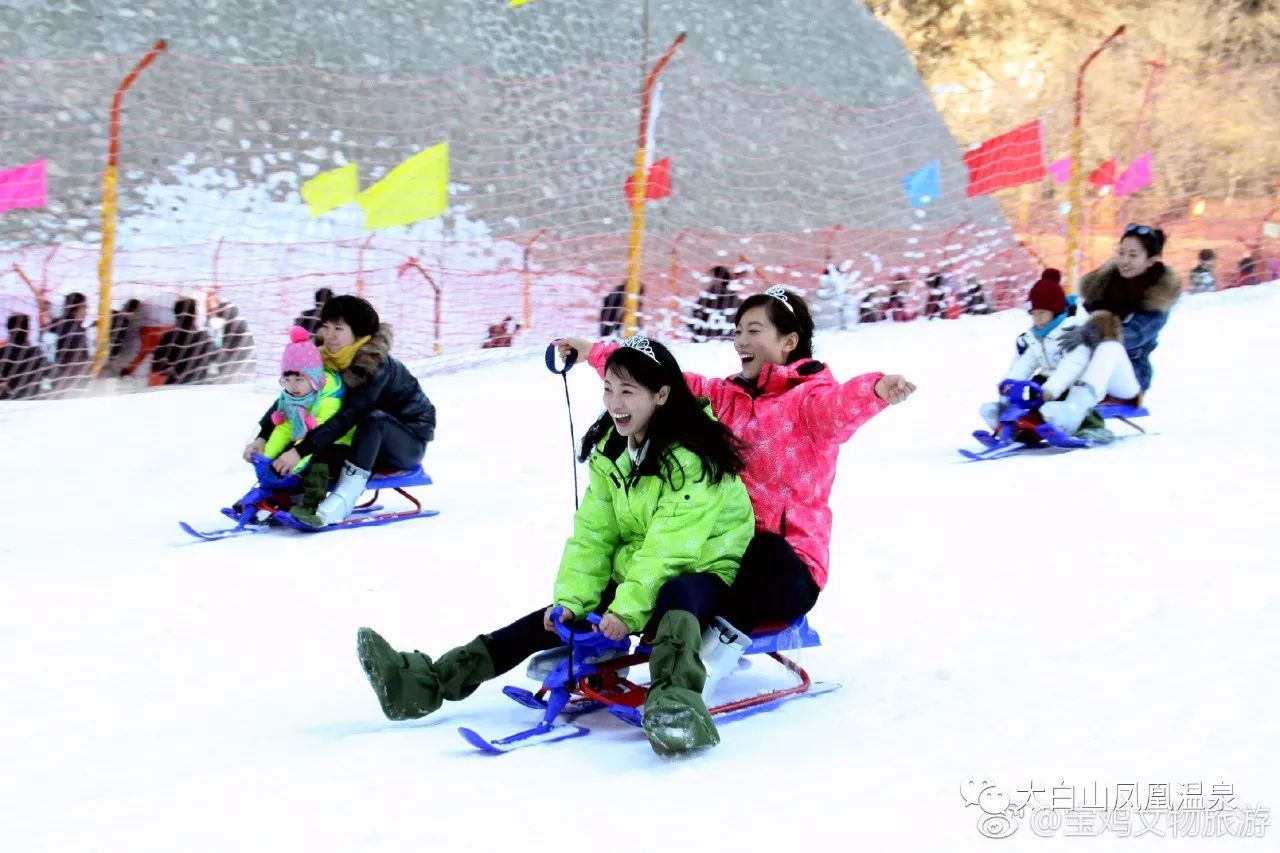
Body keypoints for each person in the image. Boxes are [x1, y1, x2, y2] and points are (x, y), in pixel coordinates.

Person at [355, 336, 755, 755]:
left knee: (676, 594)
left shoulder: (693, 459)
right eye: (609, 389)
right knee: (550, 618)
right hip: (642, 565)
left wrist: (626, 610)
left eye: (627, 391)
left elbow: (673, 549)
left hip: (708, 567)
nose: (614, 402)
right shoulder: (614, 450)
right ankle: (423, 684)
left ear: (662, 395)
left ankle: (677, 707)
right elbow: (594, 534)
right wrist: (572, 601)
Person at [556, 286, 915, 688]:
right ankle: (600, 647)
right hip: (724, 551)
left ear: (788, 341)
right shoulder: (727, 397)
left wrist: (876, 389)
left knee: (765, 552)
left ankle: (712, 655)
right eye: (737, 330)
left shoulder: (809, 403)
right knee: (650, 553)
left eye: (753, 330)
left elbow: (838, 407)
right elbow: (666, 381)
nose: (740, 341)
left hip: (786, 569)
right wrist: (594, 354)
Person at [255, 295, 436, 528]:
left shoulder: (375, 365)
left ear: (359, 334)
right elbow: (292, 396)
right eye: (326, 326)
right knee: (316, 430)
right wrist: (264, 434)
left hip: (406, 442)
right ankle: (290, 494)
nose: (330, 335)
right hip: (360, 440)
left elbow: (349, 416)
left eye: (338, 329)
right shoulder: (324, 358)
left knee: (374, 419)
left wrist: (301, 451)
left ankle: (347, 494)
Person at [977, 269, 1114, 440]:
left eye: (1042, 313)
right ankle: (1026, 428)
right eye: (1034, 313)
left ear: (1055, 311)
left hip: (1077, 381)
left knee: (1074, 401)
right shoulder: (1036, 336)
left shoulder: (1072, 333)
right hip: (1047, 382)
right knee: (1030, 396)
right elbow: (1027, 362)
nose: (1037, 318)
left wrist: (1051, 389)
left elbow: (1072, 366)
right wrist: (1010, 381)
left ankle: (1092, 427)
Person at [245, 326, 350, 516]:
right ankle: (272, 497)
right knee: (283, 456)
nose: (292, 386)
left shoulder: (330, 399)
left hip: (339, 443)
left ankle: (310, 506)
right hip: (311, 440)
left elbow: (318, 434)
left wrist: (297, 459)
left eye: (299, 379)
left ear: (313, 379)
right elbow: (284, 425)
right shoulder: (295, 394)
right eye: (288, 379)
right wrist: (266, 457)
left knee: (317, 465)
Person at [1079, 223, 1180, 393]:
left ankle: (1079, 402)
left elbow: (1132, 337)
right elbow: (1081, 317)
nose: (1124, 261)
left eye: (1133, 255)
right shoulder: (1106, 285)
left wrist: (1089, 336)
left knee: (1110, 346)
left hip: (1131, 373)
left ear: (1150, 260)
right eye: (1121, 253)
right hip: (1091, 363)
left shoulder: (1156, 298)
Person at [151, 297, 215, 386]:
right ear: (195, 314)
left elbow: (156, 367)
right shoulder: (204, 337)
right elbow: (215, 361)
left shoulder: (168, 337)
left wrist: (169, 370)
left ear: (176, 314)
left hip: (174, 388)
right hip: (200, 387)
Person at [48, 292, 92, 396]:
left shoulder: (54, 326)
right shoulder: (76, 331)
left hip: (57, 384)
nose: (86, 311)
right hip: (71, 386)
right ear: (76, 308)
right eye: (84, 307)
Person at [0, 313, 47, 400]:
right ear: (28, 331)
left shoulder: (2, 353)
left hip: (7, 402)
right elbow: (49, 373)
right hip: (33, 400)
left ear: (9, 329)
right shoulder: (36, 353)